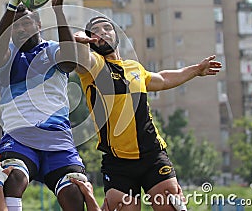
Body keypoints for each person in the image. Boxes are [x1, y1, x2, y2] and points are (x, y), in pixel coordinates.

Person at [74, 16, 222, 211]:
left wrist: (195, 70)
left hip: (152, 155)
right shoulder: (93, 67)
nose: (102, 32)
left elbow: (162, 79)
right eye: (95, 31)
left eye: (107, 28)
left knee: (172, 205)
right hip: (118, 163)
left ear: (116, 35)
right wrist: (78, 42)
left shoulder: (135, 68)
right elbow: (81, 58)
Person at [0, 0, 87, 211]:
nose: (20, 29)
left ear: (39, 25)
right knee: (13, 179)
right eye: (15, 26)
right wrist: (12, 3)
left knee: (74, 192)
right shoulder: (7, 57)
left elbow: (70, 63)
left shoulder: (52, 49)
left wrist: (59, 11)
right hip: (20, 136)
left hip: (57, 136)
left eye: (26, 23)